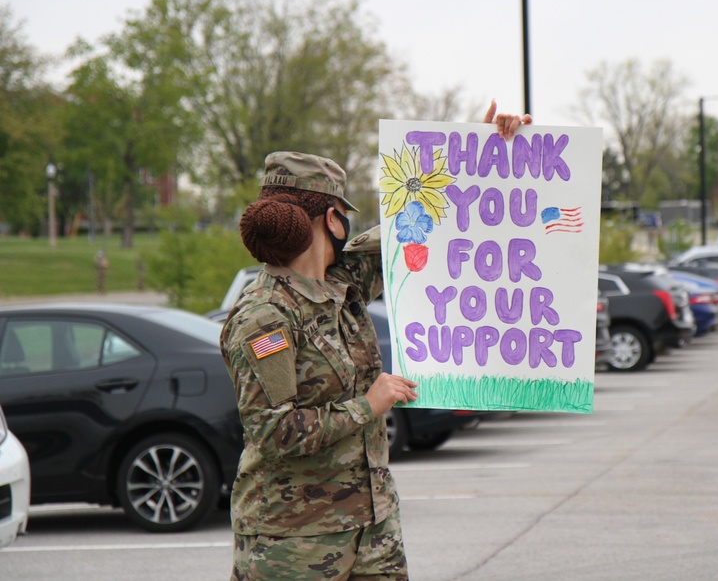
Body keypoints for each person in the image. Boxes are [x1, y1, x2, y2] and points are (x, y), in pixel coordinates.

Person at [221, 102, 530, 581]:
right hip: (295, 545)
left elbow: (423, 216)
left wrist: (483, 147)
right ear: (331, 218)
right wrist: (369, 404)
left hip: (373, 529)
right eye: (344, 214)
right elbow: (274, 431)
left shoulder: (342, 281)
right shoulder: (266, 315)